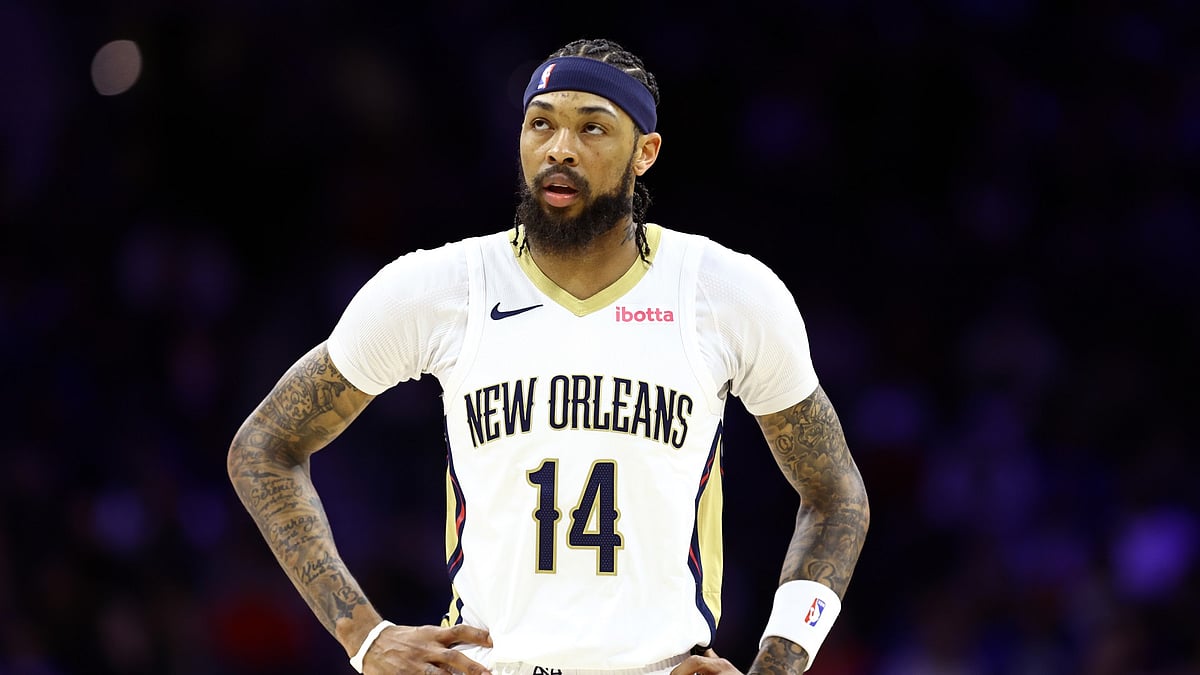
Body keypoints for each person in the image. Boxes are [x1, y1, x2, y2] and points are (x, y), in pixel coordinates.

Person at [227, 37, 869, 675]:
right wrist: (364, 636)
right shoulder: (441, 287)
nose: (560, 149)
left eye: (593, 128)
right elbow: (263, 447)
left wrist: (778, 663)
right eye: (542, 125)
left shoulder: (727, 292)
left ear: (644, 153)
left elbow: (835, 492)